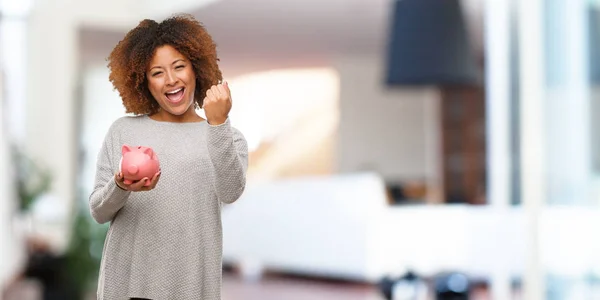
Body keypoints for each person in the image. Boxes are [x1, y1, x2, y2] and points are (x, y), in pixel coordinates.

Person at [88, 14, 248, 300]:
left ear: (196, 69)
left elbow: (231, 191)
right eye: (157, 72)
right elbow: (99, 211)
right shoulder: (123, 130)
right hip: (127, 286)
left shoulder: (226, 135)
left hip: (191, 287)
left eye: (179, 67)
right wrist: (121, 185)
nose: (171, 79)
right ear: (143, 81)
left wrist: (218, 125)